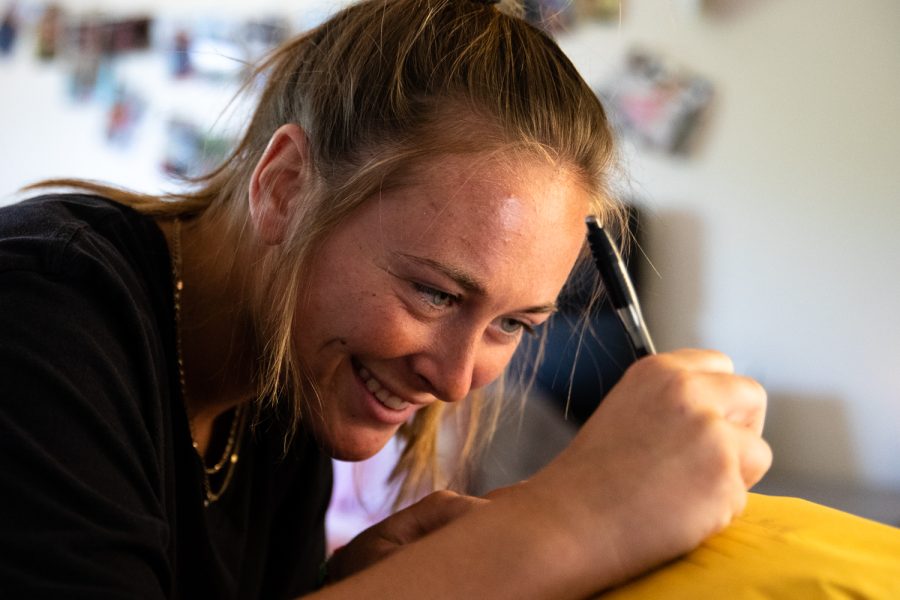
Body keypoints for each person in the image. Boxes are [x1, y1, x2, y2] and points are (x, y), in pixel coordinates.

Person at [0, 0, 771, 597]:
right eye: (436, 293)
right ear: (285, 188)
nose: (457, 378)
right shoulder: (39, 312)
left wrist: (355, 585)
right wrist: (568, 521)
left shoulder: (292, 385)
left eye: (512, 324)